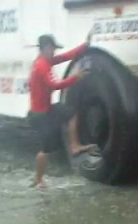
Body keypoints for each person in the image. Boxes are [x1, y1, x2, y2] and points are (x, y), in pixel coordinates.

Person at [28, 33, 96, 188]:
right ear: (45, 48)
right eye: (52, 48)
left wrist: (84, 45)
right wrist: (75, 78)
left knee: (71, 112)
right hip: (39, 114)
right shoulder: (41, 66)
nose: (54, 52)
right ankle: (38, 180)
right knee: (44, 150)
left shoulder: (46, 61)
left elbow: (66, 56)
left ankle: (74, 146)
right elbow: (53, 85)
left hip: (47, 108)